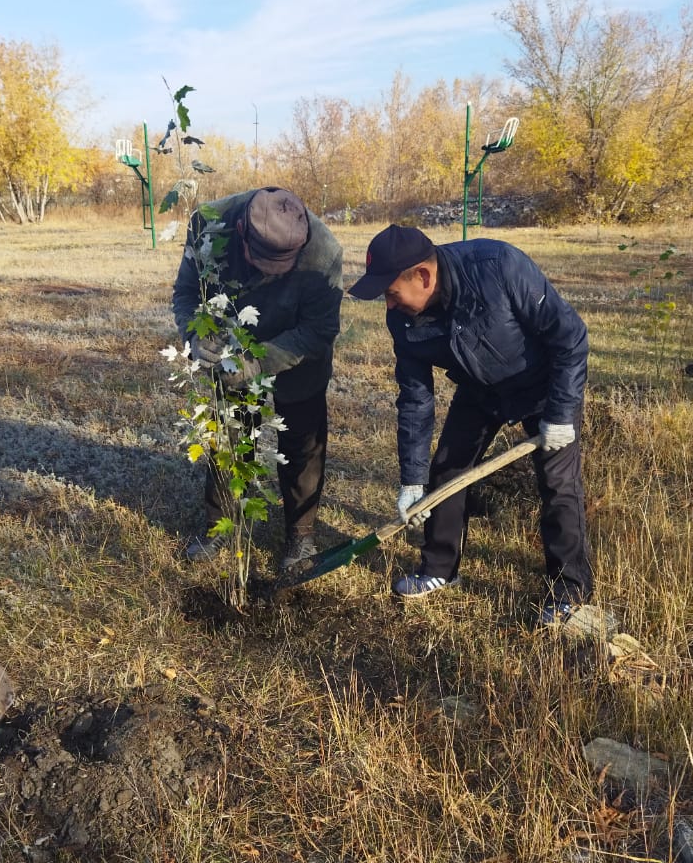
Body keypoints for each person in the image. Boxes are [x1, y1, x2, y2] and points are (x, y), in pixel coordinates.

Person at [348, 224, 591, 619]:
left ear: (423, 277)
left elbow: (571, 338)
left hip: (546, 385)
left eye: (391, 293)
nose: (388, 305)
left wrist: (561, 412)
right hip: (480, 390)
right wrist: (412, 480)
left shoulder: (498, 266)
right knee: (447, 469)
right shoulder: (403, 319)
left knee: (558, 484)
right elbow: (415, 399)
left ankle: (570, 593)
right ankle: (440, 569)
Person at [172, 187, 343, 571]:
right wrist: (195, 336)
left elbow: (319, 330)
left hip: (298, 357)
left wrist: (258, 362)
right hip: (229, 353)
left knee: (302, 444)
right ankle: (222, 523)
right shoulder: (208, 225)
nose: (271, 274)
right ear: (240, 231)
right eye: (263, 262)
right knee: (228, 439)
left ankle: (300, 536)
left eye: (282, 266)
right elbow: (185, 292)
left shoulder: (324, 252)